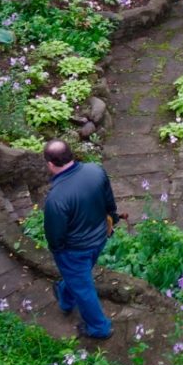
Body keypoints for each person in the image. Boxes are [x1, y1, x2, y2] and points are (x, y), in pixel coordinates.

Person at [41, 140, 121, 341]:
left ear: (50, 164)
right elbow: (109, 201)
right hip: (100, 237)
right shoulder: (96, 170)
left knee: (83, 287)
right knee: (78, 277)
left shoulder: (56, 198)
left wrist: (57, 251)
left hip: (75, 249)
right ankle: (65, 297)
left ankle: (99, 328)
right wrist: (113, 218)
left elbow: (54, 235)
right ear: (72, 154)